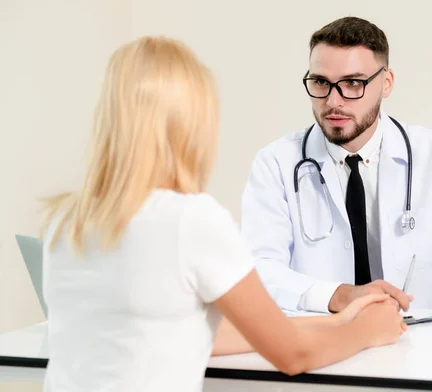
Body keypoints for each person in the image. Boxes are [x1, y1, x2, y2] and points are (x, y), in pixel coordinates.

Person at [40, 35, 407, 392]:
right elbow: (293, 356)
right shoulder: (191, 220)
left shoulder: (66, 219)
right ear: (190, 123)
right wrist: (366, 331)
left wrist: (339, 321)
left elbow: (190, 332)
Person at [240, 16, 432, 315]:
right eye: (321, 83)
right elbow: (258, 269)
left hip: (419, 343)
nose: (333, 101)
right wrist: (338, 296)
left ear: (386, 83)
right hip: (321, 344)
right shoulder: (275, 163)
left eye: (353, 83)